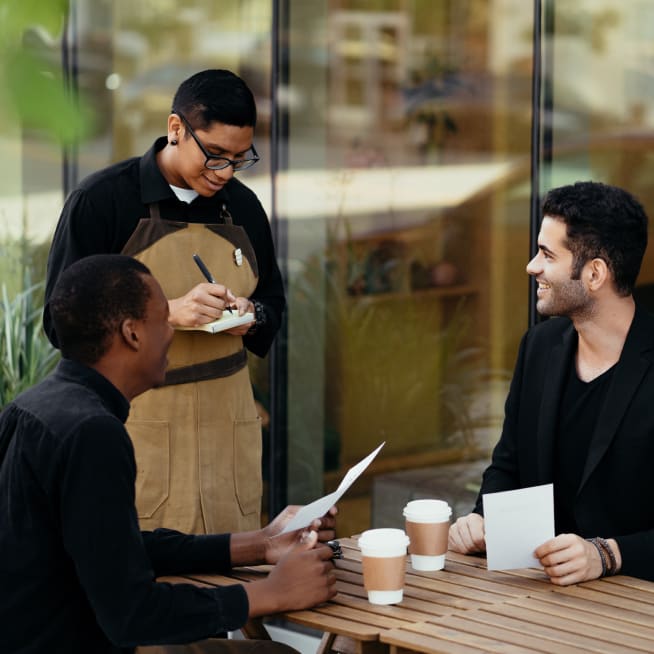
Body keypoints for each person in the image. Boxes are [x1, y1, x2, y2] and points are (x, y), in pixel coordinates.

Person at [0, 255, 336, 654]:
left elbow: (113, 549)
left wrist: (259, 544)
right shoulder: (92, 433)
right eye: (163, 318)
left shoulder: (32, 407)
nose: (172, 333)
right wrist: (272, 594)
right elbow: (132, 615)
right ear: (133, 334)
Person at [43, 69, 285, 535]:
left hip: (228, 438)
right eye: (214, 155)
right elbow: (61, 323)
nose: (225, 172)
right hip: (138, 428)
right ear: (176, 129)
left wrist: (250, 316)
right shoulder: (102, 201)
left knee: (237, 586)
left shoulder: (246, 208)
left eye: (240, 158)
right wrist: (166, 313)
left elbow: (274, 302)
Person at [448, 181, 654, 585]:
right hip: (537, 595)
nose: (531, 266)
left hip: (635, 610)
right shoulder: (540, 348)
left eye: (547, 254)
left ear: (595, 273)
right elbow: (508, 466)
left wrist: (608, 554)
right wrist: (480, 518)